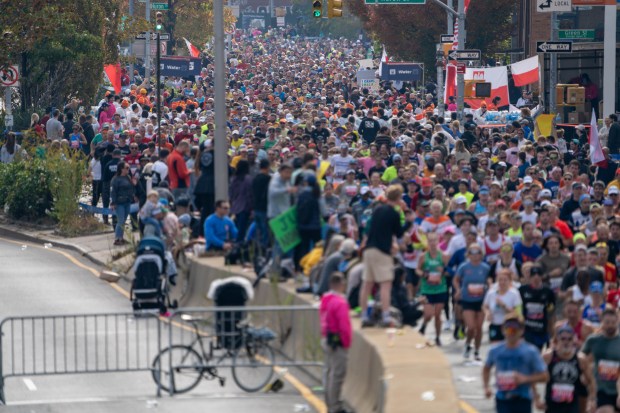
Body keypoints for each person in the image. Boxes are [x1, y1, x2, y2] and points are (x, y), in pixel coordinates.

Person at [360, 184, 412, 328]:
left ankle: (364, 315)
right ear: (398, 197)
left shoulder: (377, 210)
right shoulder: (393, 213)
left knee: (367, 284)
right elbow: (400, 233)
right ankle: (386, 316)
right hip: (382, 252)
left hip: (369, 250)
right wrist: (408, 221)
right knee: (385, 284)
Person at [483, 313, 549, 413]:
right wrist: (486, 387)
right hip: (502, 398)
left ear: (521, 331)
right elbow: (486, 368)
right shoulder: (495, 350)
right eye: (508, 329)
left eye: (515, 329)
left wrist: (525, 379)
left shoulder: (530, 351)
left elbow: (544, 376)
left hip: (522, 398)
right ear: (503, 330)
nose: (511, 332)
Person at [536, 325, 593, 413]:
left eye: (569, 339)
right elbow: (533, 376)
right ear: (557, 340)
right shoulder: (548, 356)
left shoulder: (580, 358)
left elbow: (591, 381)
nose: (566, 342)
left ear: (574, 340)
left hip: (572, 404)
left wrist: (592, 401)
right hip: (552, 404)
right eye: (563, 339)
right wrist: (537, 398)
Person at [320, 273, 352, 413]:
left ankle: (330, 403)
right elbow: (344, 326)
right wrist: (346, 342)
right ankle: (335, 406)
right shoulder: (340, 303)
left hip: (327, 338)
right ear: (341, 284)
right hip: (337, 342)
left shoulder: (326, 299)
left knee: (329, 372)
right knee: (338, 374)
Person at [453, 242, 490, 361]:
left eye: (477, 252)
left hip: (481, 300)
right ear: (468, 254)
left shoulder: (485, 267)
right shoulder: (464, 267)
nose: (475, 255)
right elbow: (456, 280)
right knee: (471, 326)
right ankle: (468, 344)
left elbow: (489, 281)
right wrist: (458, 290)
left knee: (479, 327)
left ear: (481, 254)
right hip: (467, 300)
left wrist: (490, 289)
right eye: (472, 252)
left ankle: (477, 351)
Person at [581, 309, 620, 413]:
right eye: (607, 322)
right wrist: (585, 373)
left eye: (613, 322)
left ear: (617, 321)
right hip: (601, 388)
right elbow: (580, 357)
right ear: (601, 321)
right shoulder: (593, 340)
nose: (610, 325)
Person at [418, 232, 448, 346]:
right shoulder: (423, 256)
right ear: (427, 242)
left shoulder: (443, 256)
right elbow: (417, 269)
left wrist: (443, 271)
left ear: (438, 241)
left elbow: (448, 271)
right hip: (427, 289)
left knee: (437, 315)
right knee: (428, 314)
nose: (432, 243)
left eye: (434, 240)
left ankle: (437, 337)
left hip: (440, 288)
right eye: (430, 241)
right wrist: (424, 274)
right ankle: (423, 326)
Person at [519, 265, 555, 351]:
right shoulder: (522, 290)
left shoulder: (548, 292)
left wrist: (552, 333)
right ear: (529, 277)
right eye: (533, 275)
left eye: (539, 275)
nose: (536, 278)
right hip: (527, 330)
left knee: (538, 353)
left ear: (542, 277)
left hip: (541, 329)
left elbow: (551, 312)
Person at [484, 269, 522, 343]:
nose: (502, 282)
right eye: (500, 280)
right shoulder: (491, 293)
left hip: (509, 325)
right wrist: (487, 313)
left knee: (509, 348)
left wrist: (504, 306)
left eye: (505, 280)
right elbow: (485, 306)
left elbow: (518, 313)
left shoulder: (514, 294)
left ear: (510, 281)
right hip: (495, 324)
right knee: (495, 348)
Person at [110, 161, 135, 246]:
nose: (128, 170)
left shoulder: (128, 177)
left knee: (123, 221)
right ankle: (117, 238)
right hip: (119, 203)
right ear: (122, 169)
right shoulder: (116, 179)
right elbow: (113, 192)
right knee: (120, 221)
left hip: (127, 202)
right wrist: (113, 203)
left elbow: (131, 188)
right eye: (127, 168)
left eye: (129, 168)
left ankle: (121, 238)